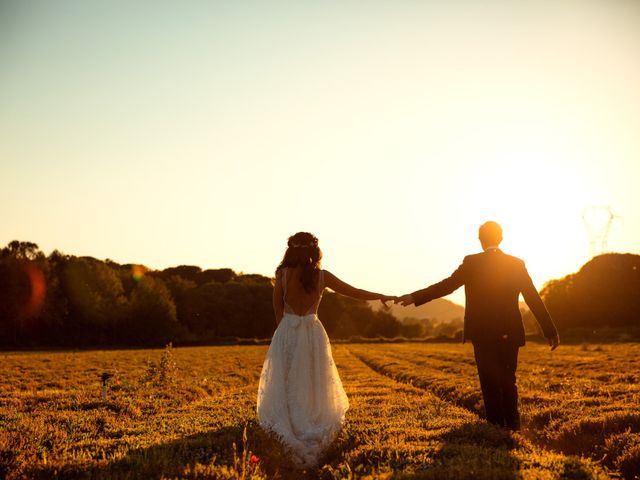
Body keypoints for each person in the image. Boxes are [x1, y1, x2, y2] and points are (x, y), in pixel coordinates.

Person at [397, 221, 560, 431]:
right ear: (501, 238)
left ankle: (495, 427)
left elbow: (446, 286)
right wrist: (550, 331)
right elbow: (533, 298)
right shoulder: (516, 264)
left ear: (480, 239)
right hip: (510, 331)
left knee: (489, 382)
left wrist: (414, 297)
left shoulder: (472, 262)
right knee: (509, 380)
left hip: (482, 332)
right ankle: (513, 427)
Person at [256, 232, 395, 467]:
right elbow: (355, 292)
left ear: (291, 251)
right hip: (313, 331)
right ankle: (310, 414)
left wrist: (284, 334)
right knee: (313, 376)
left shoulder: (283, 274)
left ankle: (291, 417)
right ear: (314, 251)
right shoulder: (322, 277)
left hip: (288, 329)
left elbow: (277, 309)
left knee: (288, 375)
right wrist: (379, 296)